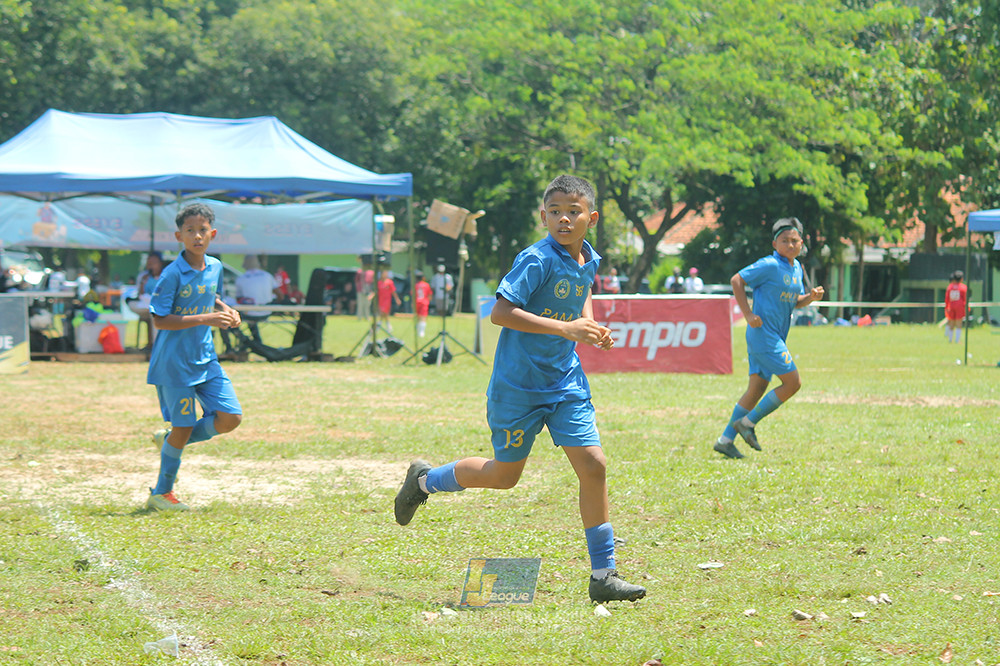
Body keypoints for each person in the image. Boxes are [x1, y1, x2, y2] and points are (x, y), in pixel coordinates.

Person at [394, 174, 646, 604]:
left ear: (591, 218)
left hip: (565, 382)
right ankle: (424, 481)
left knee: (594, 465)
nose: (564, 219)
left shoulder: (588, 257)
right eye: (555, 211)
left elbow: (582, 289)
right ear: (543, 217)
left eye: (573, 211)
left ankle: (603, 575)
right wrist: (566, 328)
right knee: (504, 476)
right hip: (518, 387)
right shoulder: (536, 259)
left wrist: (587, 324)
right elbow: (500, 312)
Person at [145, 202, 243, 511]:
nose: (197, 236)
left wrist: (226, 310)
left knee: (230, 418)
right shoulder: (171, 274)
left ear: (213, 234)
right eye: (190, 231)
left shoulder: (215, 267)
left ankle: (170, 440)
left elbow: (210, 296)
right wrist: (207, 318)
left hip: (206, 358)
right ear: (179, 236)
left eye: (203, 230)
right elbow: (160, 320)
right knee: (184, 427)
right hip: (174, 365)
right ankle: (161, 494)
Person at [714, 217, 824, 459]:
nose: (790, 245)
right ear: (775, 244)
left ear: (802, 243)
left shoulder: (796, 268)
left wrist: (810, 297)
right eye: (785, 240)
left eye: (795, 240)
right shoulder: (770, 265)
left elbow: (794, 301)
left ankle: (725, 441)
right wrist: (748, 314)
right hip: (764, 335)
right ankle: (747, 423)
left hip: (774, 336)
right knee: (793, 383)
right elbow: (737, 280)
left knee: (756, 390)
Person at [235, 254, 279, 345]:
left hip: (249, 313)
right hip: (267, 312)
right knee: (252, 320)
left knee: (232, 319)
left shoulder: (241, 278)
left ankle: (246, 342)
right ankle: (257, 343)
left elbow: (238, 299)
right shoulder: (267, 275)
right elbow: (280, 294)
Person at [128, 251, 166, 349]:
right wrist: (142, 283)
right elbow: (140, 295)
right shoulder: (144, 276)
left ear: (160, 263)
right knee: (133, 304)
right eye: (149, 263)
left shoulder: (166, 275)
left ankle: (156, 345)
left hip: (161, 307)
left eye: (153, 263)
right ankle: (152, 344)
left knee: (154, 313)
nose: (151, 266)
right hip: (145, 305)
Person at [944, 270, 968, 344]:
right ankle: (957, 340)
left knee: (951, 322)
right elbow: (965, 298)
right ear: (961, 279)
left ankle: (950, 339)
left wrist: (947, 306)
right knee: (958, 323)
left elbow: (947, 298)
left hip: (951, 306)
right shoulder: (963, 287)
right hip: (959, 306)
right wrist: (966, 307)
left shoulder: (950, 287)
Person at [413, 270, 433, 337]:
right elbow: (429, 294)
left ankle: (418, 329)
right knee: (423, 317)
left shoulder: (415, 285)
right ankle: (421, 332)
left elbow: (413, 294)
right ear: (423, 278)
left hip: (416, 302)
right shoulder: (426, 285)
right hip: (424, 302)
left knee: (418, 316)